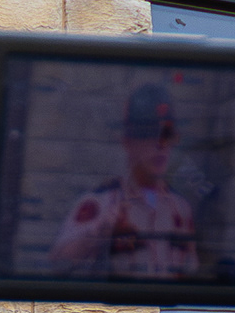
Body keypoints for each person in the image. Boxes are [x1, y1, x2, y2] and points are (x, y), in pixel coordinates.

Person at [50, 81, 202, 281]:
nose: (160, 146)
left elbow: (191, 274)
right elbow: (58, 264)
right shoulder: (102, 203)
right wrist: (98, 234)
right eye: (148, 135)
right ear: (128, 142)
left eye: (167, 135)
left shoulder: (181, 209)